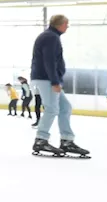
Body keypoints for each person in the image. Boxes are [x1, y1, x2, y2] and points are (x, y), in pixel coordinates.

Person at [30, 15, 88, 157]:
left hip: (48, 78)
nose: (67, 26)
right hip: (46, 79)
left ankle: (67, 140)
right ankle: (41, 139)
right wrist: (55, 81)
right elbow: (49, 61)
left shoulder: (51, 36)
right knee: (52, 109)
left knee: (65, 107)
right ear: (59, 24)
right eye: (66, 24)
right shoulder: (50, 37)